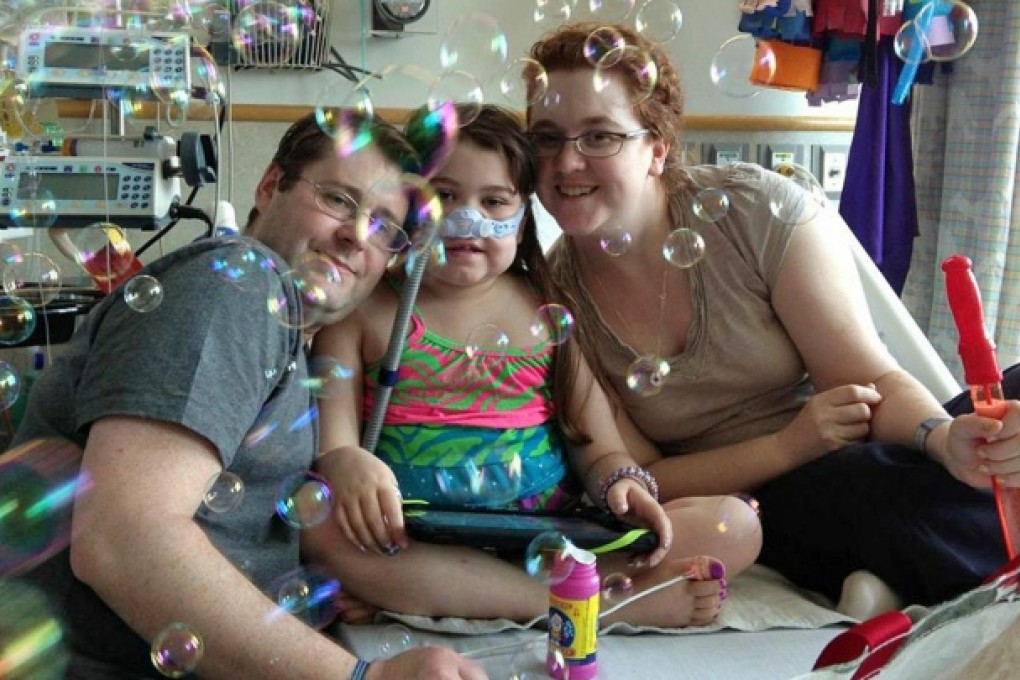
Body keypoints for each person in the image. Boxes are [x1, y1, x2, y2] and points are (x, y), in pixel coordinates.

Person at [524, 21, 1020, 617]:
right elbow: (643, 481)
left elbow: (868, 381)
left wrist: (944, 440)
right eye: (546, 138)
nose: (566, 162)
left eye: (599, 136)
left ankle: (902, 574)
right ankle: (928, 563)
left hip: (870, 439)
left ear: (657, 148)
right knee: (868, 488)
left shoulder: (754, 212)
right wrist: (791, 445)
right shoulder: (550, 303)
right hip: (766, 499)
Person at [7, 111, 486, 679]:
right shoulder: (234, 285)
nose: (356, 236)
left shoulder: (283, 333)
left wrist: (308, 589)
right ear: (269, 186)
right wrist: (366, 678)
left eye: (384, 227)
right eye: (338, 200)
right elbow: (122, 539)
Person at [303, 103, 761, 629]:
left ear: (522, 222)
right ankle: (596, 603)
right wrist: (346, 462)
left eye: (494, 201)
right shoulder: (364, 312)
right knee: (316, 523)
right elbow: (334, 446)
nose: (467, 218)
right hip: (413, 535)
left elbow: (598, 446)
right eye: (444, 196)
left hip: (544, 537)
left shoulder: (546, 306)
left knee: (735, 525)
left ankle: (445, 594)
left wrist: (620, 483)